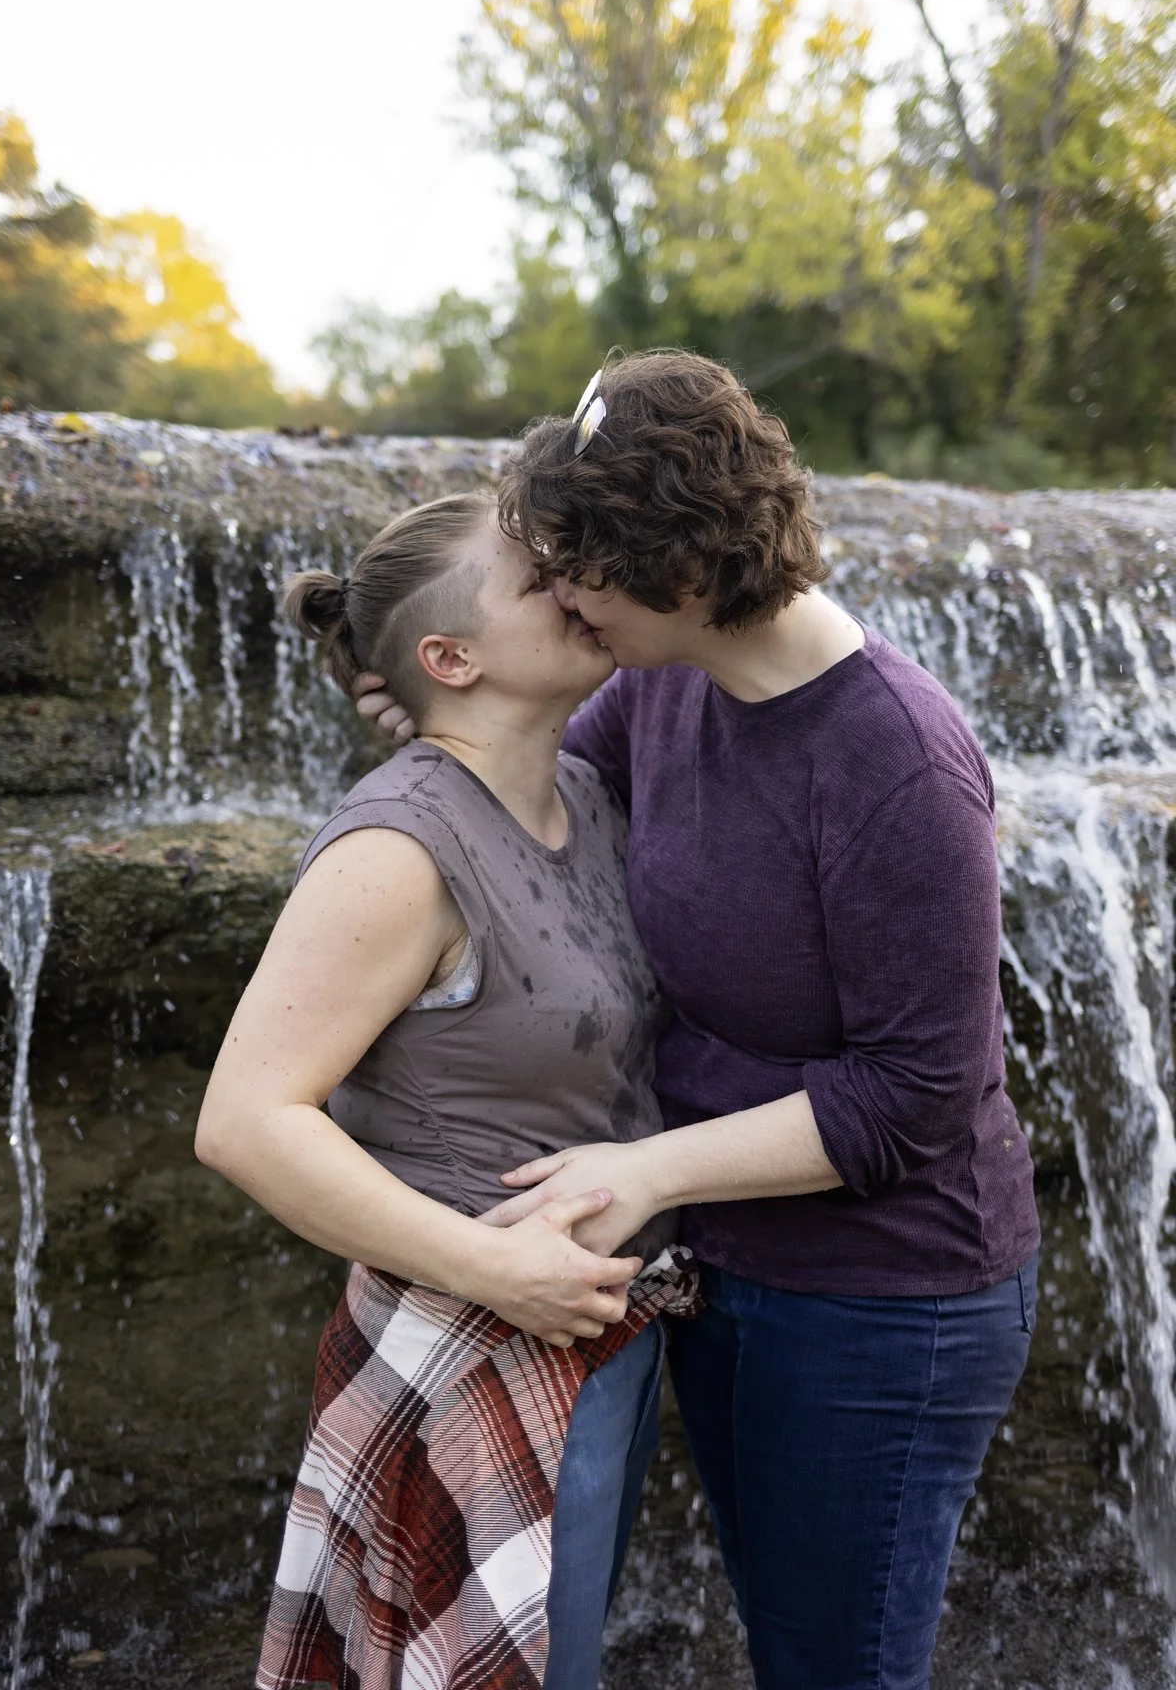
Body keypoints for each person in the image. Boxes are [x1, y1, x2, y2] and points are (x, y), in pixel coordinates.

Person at [354, 350, 1041, 1690]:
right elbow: (544, 798)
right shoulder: (668, 680)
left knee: (832, 1667)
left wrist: (647, 1171)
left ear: (674, 574)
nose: (561, 598)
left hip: (883, 1304)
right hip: (721, 1267)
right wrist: (451, 707)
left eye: (577, 574)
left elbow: (915, 1094)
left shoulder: (896, 764)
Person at [194, 491, 698, 1690]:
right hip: (467, 1352)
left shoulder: (587, 792)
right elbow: (244, 1122)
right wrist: (495, 1269)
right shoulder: (396, 852)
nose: (575, 583)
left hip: (598, 1338)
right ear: (450, 659)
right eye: (536, 579)